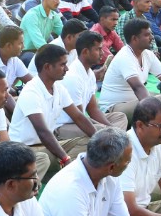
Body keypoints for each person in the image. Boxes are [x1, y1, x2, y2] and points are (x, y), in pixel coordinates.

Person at [10, 45, 98, 180]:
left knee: (90, 142)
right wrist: (65, 158)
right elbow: (43, 131)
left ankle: (66, 175)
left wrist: (99, 139)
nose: (67, 69)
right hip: (24, 149)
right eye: (62, 65)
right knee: (43, 159)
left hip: (45, 147)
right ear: (47, 67)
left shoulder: (58, 88)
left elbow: (79, 117)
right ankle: (67, 176)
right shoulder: (31, 91)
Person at [97, 19, 161, 117]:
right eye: (147, 35)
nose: (152, 37)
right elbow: (138, 87)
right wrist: (151, 108)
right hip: (114, 108)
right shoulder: (125, 56)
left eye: (151, 34)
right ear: (134, 39)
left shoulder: (148, 54)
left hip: (133, 101)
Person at [65, 31, 124, 130]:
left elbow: (93, 110)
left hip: (81, 120)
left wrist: (111, 128)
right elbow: (79, 118)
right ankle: (114, 139)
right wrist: (111, 129)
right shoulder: (73, 77)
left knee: (120, 117)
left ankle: (114, 138)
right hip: (67, 126)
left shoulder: (90, 73)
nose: (102, 53)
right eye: (98, 49)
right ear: (85, 52)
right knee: (102, 129)